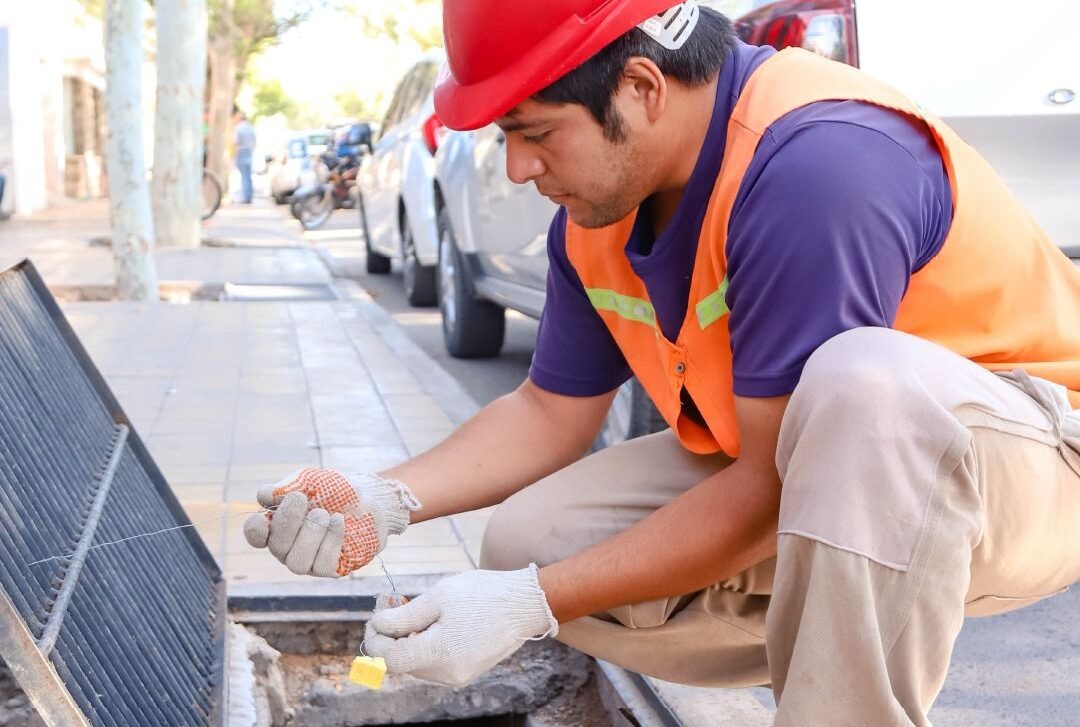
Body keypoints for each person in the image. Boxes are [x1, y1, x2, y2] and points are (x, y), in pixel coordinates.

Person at [243, 1, 1080, 723]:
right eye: (506, 136)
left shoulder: (818, 164)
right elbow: (549, 413)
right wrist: (383, 498)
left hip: (1031, 463)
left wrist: (530, 604)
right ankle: (831, 639)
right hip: (829, 470)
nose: (517, 168)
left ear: (641, 88)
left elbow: (765, 488)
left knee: (862, 389)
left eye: (534, 133)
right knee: (528, 538)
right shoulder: (602, 209)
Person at [233, 109, 256, 204]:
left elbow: (236, 141)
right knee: (248, 176)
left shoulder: (239, 128)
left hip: (242, 151)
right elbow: (255, 142)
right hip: (249, 152)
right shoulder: (250, 128)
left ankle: (246, 197)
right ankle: (249, 196)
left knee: (244, 176)